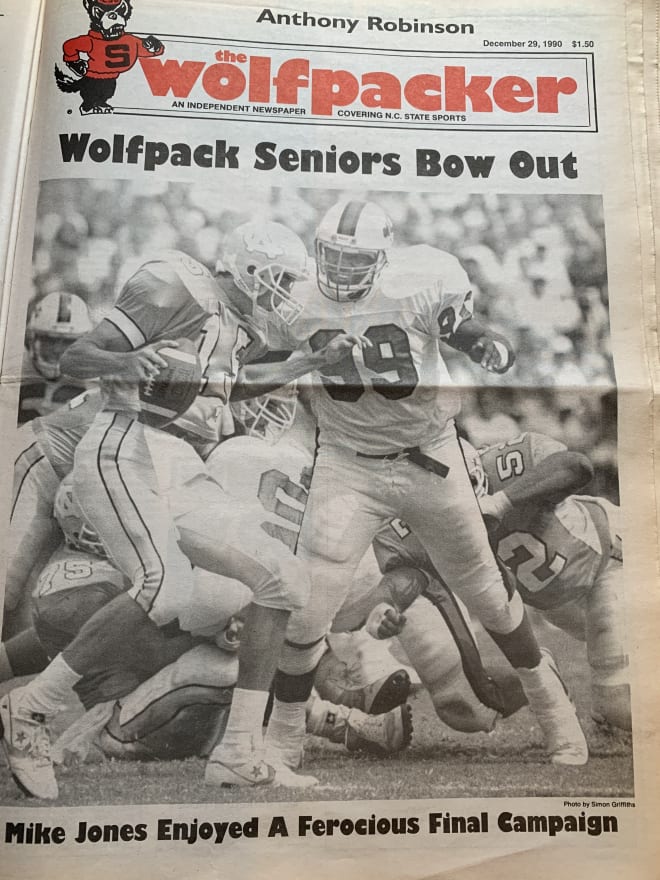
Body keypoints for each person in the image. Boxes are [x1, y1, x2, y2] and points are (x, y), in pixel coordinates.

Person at [0, 242, 370, 798]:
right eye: (283, 280)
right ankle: (31, 708)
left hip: (174, 460)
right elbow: (79, 357)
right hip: (121, 443)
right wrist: (124, 362)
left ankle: (239, 752)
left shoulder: (231, 325)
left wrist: (310, 363)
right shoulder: (177, 283)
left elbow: (229, 388)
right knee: (160, 586)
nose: (289, 294)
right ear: (250, 270)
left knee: (282, 579)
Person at [249, 198, 587, 774]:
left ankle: (557, 716)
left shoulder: (423, 277)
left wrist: (485, 344)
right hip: (347, 463)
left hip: (430, 455)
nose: (339, 270)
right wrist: (300, 360)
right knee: (309, 605)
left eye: (355, 260)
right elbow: (247, 373)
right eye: (331, 256)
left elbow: (463, 328)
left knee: (485, 589)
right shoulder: (297, 299)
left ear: (384, 260)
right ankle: (283, 740)